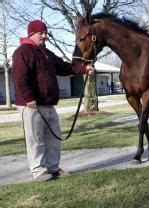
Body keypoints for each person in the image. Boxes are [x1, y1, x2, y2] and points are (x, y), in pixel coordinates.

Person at [12, 20, 94, 181]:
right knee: (35, 139)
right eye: (41, 33)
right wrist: (28, 98)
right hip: (32, 105)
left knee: (53, 137)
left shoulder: (46, 53)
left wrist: (84, 68)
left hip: (49, 104)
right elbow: (19, 78)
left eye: (45, 33)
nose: (44, 36)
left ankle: (53, 168)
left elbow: (64, 67)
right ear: (31, 34)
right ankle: (38, 171)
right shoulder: (22, 52)